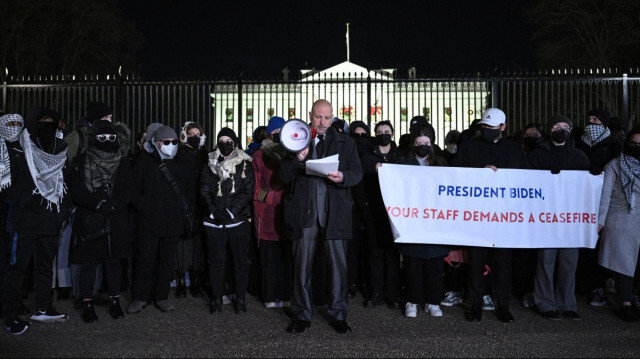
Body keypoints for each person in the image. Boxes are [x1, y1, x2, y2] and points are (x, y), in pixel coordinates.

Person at [280, 99, 362, 334]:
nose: (323, 122)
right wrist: (297, 159)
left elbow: (357, 173)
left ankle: (338, 315)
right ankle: (302, 315)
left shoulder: (346, 143)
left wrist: (344, 177)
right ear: (310, 115)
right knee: (301, 266)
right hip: (305, 213)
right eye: (318, 117)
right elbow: (284, 176)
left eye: (327, 118)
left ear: (333, 117)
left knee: (338, 266)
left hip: (335, 213)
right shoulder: (296, 139)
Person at [452, 108, 528, 323]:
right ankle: (474, 306)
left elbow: (525, 179)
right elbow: (455, 174)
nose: (487, 130)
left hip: (505, 217)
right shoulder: (469, 148)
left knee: (503, 264)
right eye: (484, 126)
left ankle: (502, 306)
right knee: (475, 264)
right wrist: (479, 172)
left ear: (503, 127)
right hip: (478, 216)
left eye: (492, 128)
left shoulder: (515, 150)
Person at [3, 107, 71, 334]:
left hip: (49, 220)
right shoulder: (18, 146)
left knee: (44, 267)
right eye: (42, 123)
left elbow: (65, 180)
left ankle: (43, 306)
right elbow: (6, 182)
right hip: (24, 221)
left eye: (51, 124)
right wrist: (28, 199)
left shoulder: (58, 148)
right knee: (18, 268)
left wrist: (61, 212)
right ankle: (11, 315)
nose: (47, 128)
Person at [68, 120, 135, 323]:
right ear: (94, 139)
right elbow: (76, 189)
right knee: (89, 263)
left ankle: (114, 301)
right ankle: (87, 302)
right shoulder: (83, 160)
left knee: (114, 262)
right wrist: (97, 204)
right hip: (91, 219)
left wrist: (113, 205)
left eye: (111, 138)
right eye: (102, 138)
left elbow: (129, 189)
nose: (107, 141)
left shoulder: (123, 162)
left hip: (115, 220)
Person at [128, 125, 197, 314]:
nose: (171, 145)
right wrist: (146, 207)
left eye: (175, 142)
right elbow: (134, 191)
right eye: (167, 142)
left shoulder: (180, 163)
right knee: (145, 260)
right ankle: (140, 297)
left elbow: (188, 190)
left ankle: (162, 296)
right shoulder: (143, 162)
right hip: (149, 222)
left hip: (172, 222)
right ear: (157, 143)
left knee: (167, 261)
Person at [528, 115, 589, 320]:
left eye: (565, 126)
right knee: (546, 260)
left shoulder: (580, 156)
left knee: (569, 262)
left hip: (571, 218)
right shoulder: (537, 155)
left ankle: (567, 303)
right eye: (556, 126)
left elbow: (586, 188)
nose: (561, 130)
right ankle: (545, 302)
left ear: (571, 130)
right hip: (547, 218)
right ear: (549, 129)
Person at [396, 124, 450, 318]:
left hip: (435, 222)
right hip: (412, 222)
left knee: (435, 264)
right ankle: (412, 300)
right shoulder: (403, 162)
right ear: (413, 144)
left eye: (426, 143)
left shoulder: (441, 164)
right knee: (413, 263)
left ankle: (433, 301)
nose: (422, 146)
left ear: (432, 144)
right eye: (419, 143)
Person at [201, 127, 255, 314]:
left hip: (237, 221)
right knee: (216, 261)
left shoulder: (245, 163)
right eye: (221, 141)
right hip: (214, 222)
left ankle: (239, 298)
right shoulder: (209, 162)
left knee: (240, 261)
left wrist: (231, 212)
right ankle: (217, 298)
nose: (225, 144)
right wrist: (213, 211)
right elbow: (204, 189)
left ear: (235, 142)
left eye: (228, 141)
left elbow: (247, 191)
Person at [575, 108, 622, 307]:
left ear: (604, 123)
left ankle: (599, 284)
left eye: (596, 119)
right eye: (589, 119)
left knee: (601, 245)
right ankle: (583, 284)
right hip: (580, 201)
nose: (591, 122)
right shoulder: (578, 142)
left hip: (604, 203)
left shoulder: (613, 144)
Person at [597, 127, 640, 322]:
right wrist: (600, 221)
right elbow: (605, 195)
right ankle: (626, 303)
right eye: (634, 144)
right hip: (622, 219)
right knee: (623, 265)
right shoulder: (614, 165)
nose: (637, 147)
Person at [361, 120, 402, 309]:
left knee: (393, 254)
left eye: (386, 131)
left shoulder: (399, 156)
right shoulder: (367, 157)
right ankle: (376, 291)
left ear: (392, 133)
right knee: (375, 253)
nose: (383, 134)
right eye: (379, 131)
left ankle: (392, 293)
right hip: (374, 211)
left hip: (396, 212)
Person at [252, 116, 292, 308]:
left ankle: (285, 295)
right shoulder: (260, 155)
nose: (276, 136)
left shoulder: (291, 152)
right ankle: (269, 295)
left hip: (287, 210)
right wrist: (267, 198)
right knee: (269, 258)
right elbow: (256, 183)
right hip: (267, 212)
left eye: (279, 133)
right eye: (273, 133)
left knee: (286, 257)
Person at [174, 121, 208, 298]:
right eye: (191, 134)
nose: (194, 137)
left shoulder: (204, 156)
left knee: (198, 246)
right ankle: (180, 280)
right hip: (183, 204)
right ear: (184, 135)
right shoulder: (178, 155)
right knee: (182, 245)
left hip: (200, 206)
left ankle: (195, 282)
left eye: (197, 135)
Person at [347, 121, 374, 299]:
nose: (361, 139)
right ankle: (351, 284)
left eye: (364, 135)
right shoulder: (348, 154)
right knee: (352, 250)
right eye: (356, 135)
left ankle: (366, 283)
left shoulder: (371, 155)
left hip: (370, 209)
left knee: (368, 251)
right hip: (352, 210)